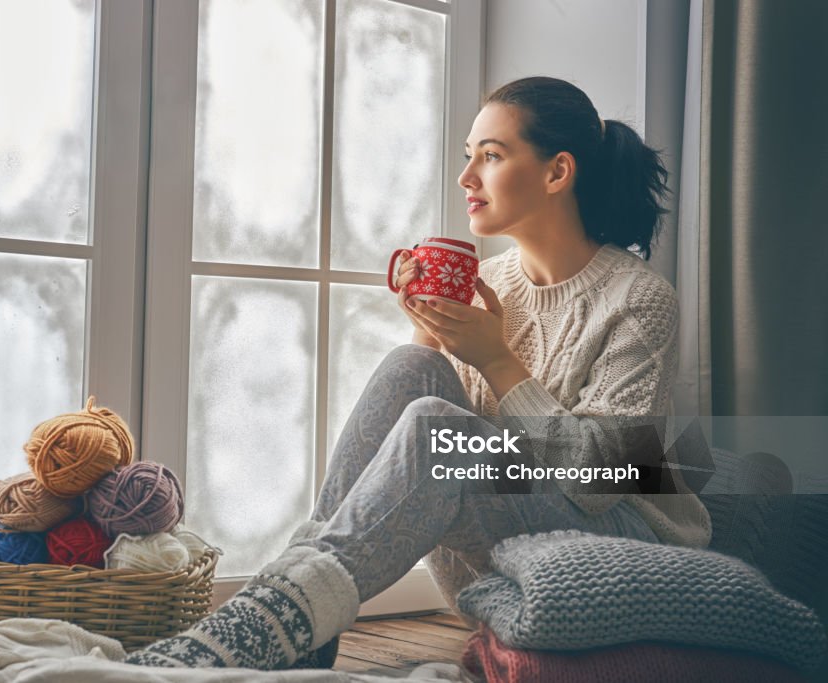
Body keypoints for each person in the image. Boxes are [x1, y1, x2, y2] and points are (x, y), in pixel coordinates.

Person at [125, 76, 712, 671]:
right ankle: (292, 613)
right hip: (505, 549)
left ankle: (272, 619)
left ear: (558, 172)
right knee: (414, 366)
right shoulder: (496, 282)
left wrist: (497, 361)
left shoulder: (639, 299)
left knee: (436, 425)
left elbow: (601, 479)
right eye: (468, 156)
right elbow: (457, 446)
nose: (467, 177)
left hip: (624, 550)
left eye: (491, 155)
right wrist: (429, 331)